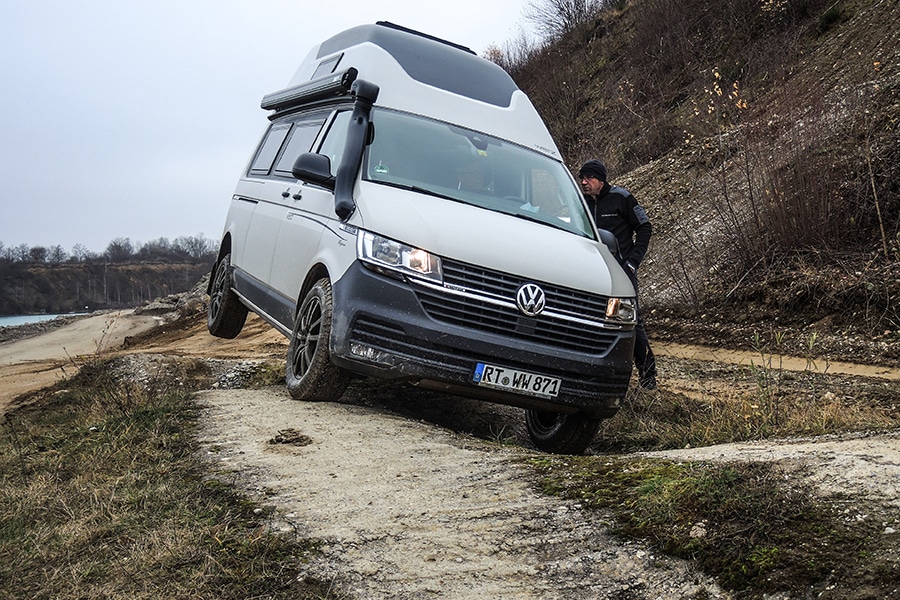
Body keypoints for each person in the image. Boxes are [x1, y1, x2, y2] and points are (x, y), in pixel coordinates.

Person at [578, 159, 658, 390]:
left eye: (589, 178)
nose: (584, 182)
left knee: (630, 323)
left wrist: (632, 262)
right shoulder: (579, 203)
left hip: (620, 272)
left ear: (601, 180)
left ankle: (648, 375)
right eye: (582, 178)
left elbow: (645, 227)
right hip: (589, 271)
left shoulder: (621, 198)